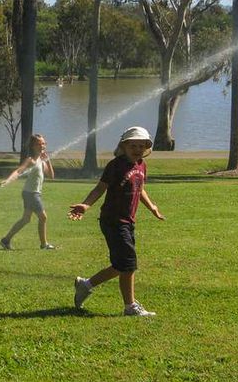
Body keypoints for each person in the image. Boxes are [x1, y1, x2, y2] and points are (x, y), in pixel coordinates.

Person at [68, 126, 165, 316]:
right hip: (113, 220)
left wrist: (152, 207)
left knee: (122, 265)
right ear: (124, 146)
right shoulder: (115, 165)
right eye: (133, 145)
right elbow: (100, 188)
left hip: (128, 221)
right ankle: (130, 307)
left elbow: (140, 188)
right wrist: (86, 205)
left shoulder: (141, 165)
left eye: (141, 145)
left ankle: (85, 284)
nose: (137, 149)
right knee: (128, 263)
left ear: (146, 147)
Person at [0, 133, 56, 251]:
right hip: (31, 194)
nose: (42, 146)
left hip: (32, 193)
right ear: (33, 146)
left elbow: (51, 176)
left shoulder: (42, 161)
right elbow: (19, 171)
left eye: (44, 143)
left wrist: (48, 160)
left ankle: (6, 240)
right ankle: (44, 244)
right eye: (39, 144)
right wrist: (8, 180)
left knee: (26, 219)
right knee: (43, 217)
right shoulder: (30, 160)